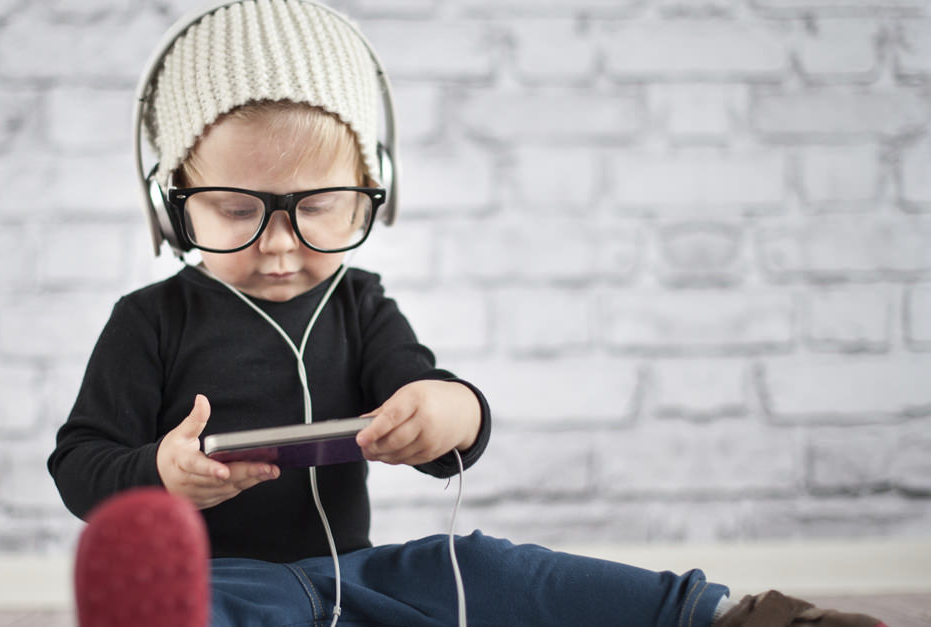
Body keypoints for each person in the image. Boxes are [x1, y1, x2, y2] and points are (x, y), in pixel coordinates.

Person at [47, 1, 888, 625]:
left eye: (321, 207)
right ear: (171, 203)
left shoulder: (360, 303)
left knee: (490, 569)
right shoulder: (149, 321)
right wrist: (161, 472)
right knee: (213, 609)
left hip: (360, 574)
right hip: (227, 579)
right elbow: (79, 464)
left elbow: (432, 397)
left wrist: (450, 413)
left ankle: (732, 617)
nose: (279, 244)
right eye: (236, 209)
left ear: (375, 192)